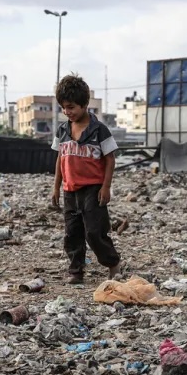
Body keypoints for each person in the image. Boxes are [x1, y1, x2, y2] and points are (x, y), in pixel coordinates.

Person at [51, 74, 121, 284]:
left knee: (94, 232)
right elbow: (60, 159)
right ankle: (76, 270)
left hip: (93, 189)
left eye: (71, 107)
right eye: (63, 107)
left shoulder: (99, 130)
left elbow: (110, 160)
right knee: (72, 233)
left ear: (84, 104)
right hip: (70, 190)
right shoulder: (63, 130)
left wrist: (106, 187)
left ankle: (112, 262)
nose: (67, 112)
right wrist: (56, 187)